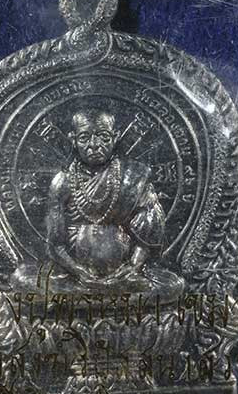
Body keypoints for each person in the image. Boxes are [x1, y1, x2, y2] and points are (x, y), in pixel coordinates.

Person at [13, 109, 184, 302]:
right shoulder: (63, 182)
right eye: (84, 138)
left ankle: (84, 301)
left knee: (173, 285)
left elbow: (147, 236)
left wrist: (132, 268)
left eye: (103, 137)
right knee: (21, 279)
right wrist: (79, 272)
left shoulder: (134, 176)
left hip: (126, 274)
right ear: (73, 140)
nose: (94, 145)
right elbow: (56, 244)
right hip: (75, 275)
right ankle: (114, 300)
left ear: (115, 137)